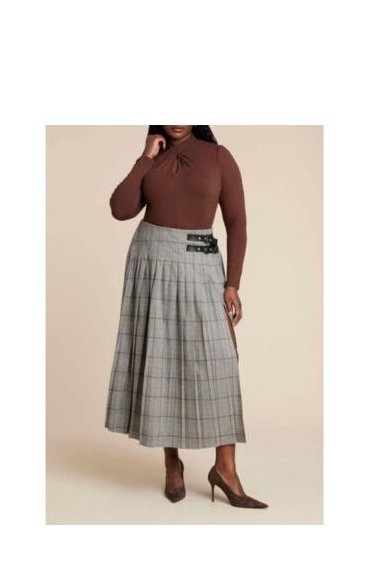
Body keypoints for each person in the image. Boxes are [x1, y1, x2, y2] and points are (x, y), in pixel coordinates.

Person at [104, 125, 268, 508]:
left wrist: (233, 283)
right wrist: (145, 158)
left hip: (201, 265)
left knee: (221, 360)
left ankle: (225, 469)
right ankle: (171, 463)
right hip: (152, 263)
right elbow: (120, 209)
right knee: (162, 361)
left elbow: (237, 222)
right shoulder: (153, 158)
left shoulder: (218, 157)